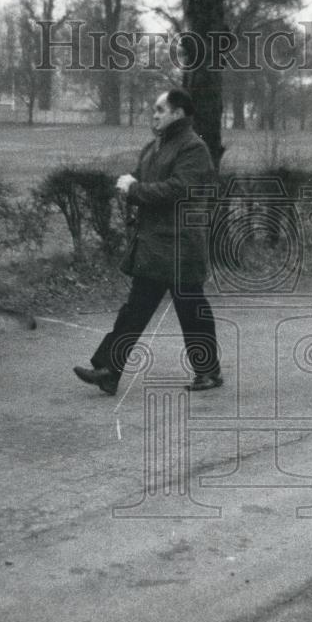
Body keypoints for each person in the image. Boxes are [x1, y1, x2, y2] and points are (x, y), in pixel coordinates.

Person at [73, 88, 222, 395]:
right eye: (154, 109)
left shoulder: (193, 148)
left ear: (178, 113)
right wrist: (129, 186)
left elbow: (179, 189)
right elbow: (143, 181)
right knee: (135, 311)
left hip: (181, 246)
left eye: (160, 109)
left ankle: (208, 372)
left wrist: (135, 188)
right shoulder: (155, 146)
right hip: (155, 245)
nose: (154, 114)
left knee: (191, 311)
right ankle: (109, 371)